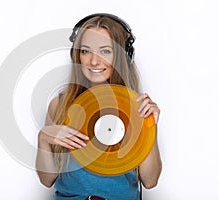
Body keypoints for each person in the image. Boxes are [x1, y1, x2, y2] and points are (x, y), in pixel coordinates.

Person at [36, 13, 162, 200]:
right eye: (86, 51)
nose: (94, 61)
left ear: (122, 56)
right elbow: (47, 180)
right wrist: (43, 139)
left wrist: (149, 125)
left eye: (105, 51)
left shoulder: (137, 109)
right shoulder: (60, 105)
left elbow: (150, 181)